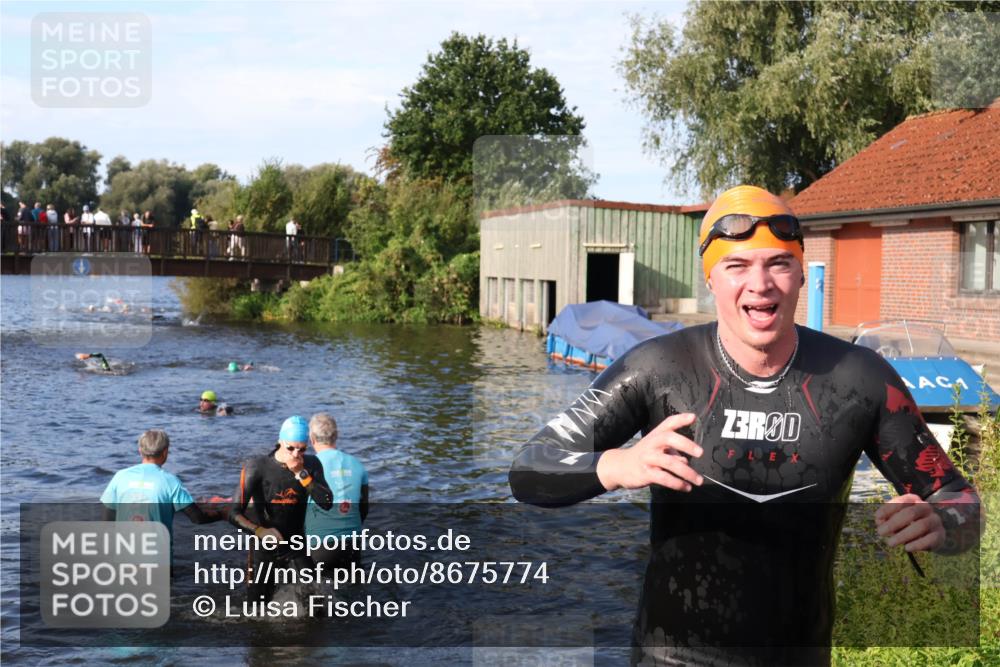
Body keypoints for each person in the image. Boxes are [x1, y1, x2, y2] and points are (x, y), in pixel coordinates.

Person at [508, 185, 983, 666]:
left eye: (778, 262)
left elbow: (962, 502)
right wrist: (617, 465)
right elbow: (529, 470)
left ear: (801, 274)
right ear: (710, 279)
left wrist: (940, 523)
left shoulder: (859, 378)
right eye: (737, 266)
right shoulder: (657, 368)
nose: (760, 284)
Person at [229, 416, 334, 602]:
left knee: (317, 607)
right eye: (290, 448)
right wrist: (260, 531)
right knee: (256, 612)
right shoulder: (257, 467)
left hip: (296, 546)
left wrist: (301, 474)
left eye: (301, 449)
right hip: (263, 548)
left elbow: (326, 502)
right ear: (280, 442)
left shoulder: (311, 465)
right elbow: (233, 512)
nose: (295, 454)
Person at [101, 429, 225, 541]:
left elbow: (108, 521)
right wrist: (224, 513)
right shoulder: (170, 481)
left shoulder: (120, 476)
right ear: (165, 452)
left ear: (140, 451)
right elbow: (197, 518)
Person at [304, 412, 369, 570]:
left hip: (319, 547)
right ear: (337, 435)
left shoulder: (307, 466)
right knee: (351, 590)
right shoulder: (358, 464)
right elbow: (364, 508)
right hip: (352, 544)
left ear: (311, 439)